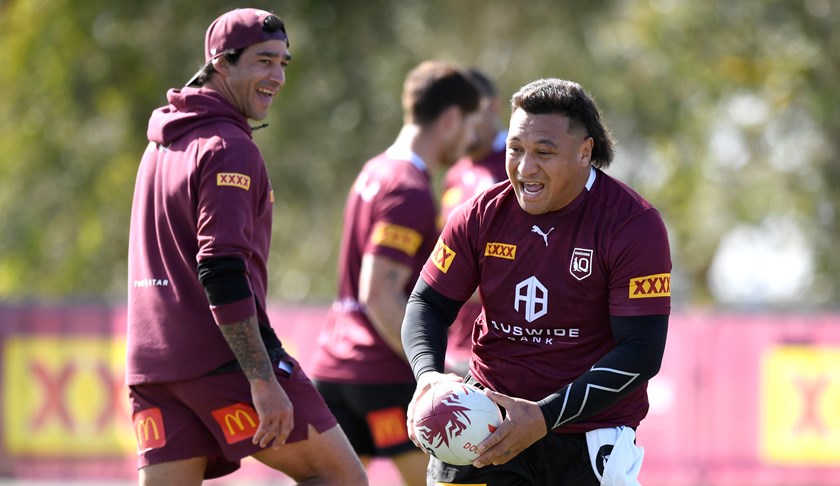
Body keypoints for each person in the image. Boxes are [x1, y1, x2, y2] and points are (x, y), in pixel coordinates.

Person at [126, 8, 366, 485]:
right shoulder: (228, 147)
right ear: (222, 63)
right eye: (263, 61)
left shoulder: (161, 143)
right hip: (221, 358)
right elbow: (220, 268)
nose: (276, 77)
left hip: (153, 367)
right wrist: (262, 376)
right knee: (341, 478)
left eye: (282, 63)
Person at [402, 78, 671, 485]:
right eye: (516, 149)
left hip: (584, 441)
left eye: (544, 152)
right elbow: (427, 304)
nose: (525, 168)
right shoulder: (480, 215)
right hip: (485, 431)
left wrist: (545, 416)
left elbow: (642, 352)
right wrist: (428, 376)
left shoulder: (632, 225)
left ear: (585, 153)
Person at [308, 61, 481, 486]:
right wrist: (434, 369)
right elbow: (379, 291)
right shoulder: (408, 188)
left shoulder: (375, 170)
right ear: (452, 118)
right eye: (469, 126)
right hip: (382, 374)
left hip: (335, 368)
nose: (469, 141)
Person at [438, 68, 508, 376]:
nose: (462, 125)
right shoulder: (455, 173)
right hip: (453, 352)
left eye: (471, 113)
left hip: (501, 353)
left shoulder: (519, 168)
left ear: (493, 106)